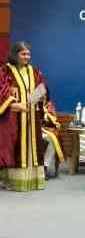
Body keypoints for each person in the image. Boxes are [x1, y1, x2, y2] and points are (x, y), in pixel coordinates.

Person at [0, 41, 56, 191]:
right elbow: (1, 92)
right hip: (13, 118)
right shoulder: (5, 71)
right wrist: (13, 104)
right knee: (14, 147)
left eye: (28, 54)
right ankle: (13, 181)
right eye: (23, 54)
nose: (27, 57)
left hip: (32, 116)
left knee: (32, 147)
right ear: (15, 54)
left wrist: (40, 96)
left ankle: (32, 180)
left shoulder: (35, 71)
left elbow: (43, 89)